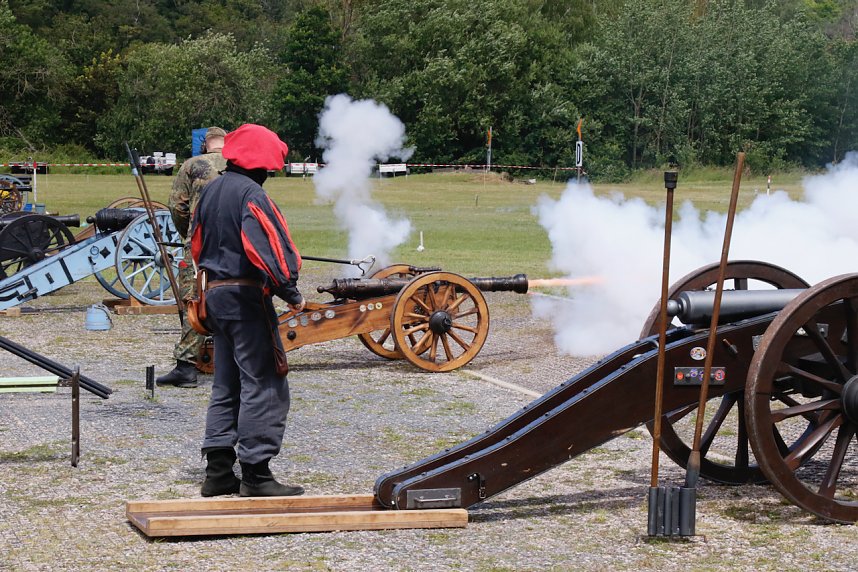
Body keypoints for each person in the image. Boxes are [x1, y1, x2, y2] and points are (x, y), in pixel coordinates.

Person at [189, 123, 306, 497]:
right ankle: (256, 473)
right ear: (262, 166)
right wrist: (290, 290)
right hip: (245, 298)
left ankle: (219, 472)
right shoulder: (252, 195)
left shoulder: (211, 191)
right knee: (265, 383)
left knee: (227, 384)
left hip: (215, 297)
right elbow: (267, 247)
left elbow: (196, 245)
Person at [157, 127, 228, 388]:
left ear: (205, 144)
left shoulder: (192, 165)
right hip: (236, 243)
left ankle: (186, 368)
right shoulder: (239, 163)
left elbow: (177, 205)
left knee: (194, 298)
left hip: (201, 242)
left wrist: (188, 231)